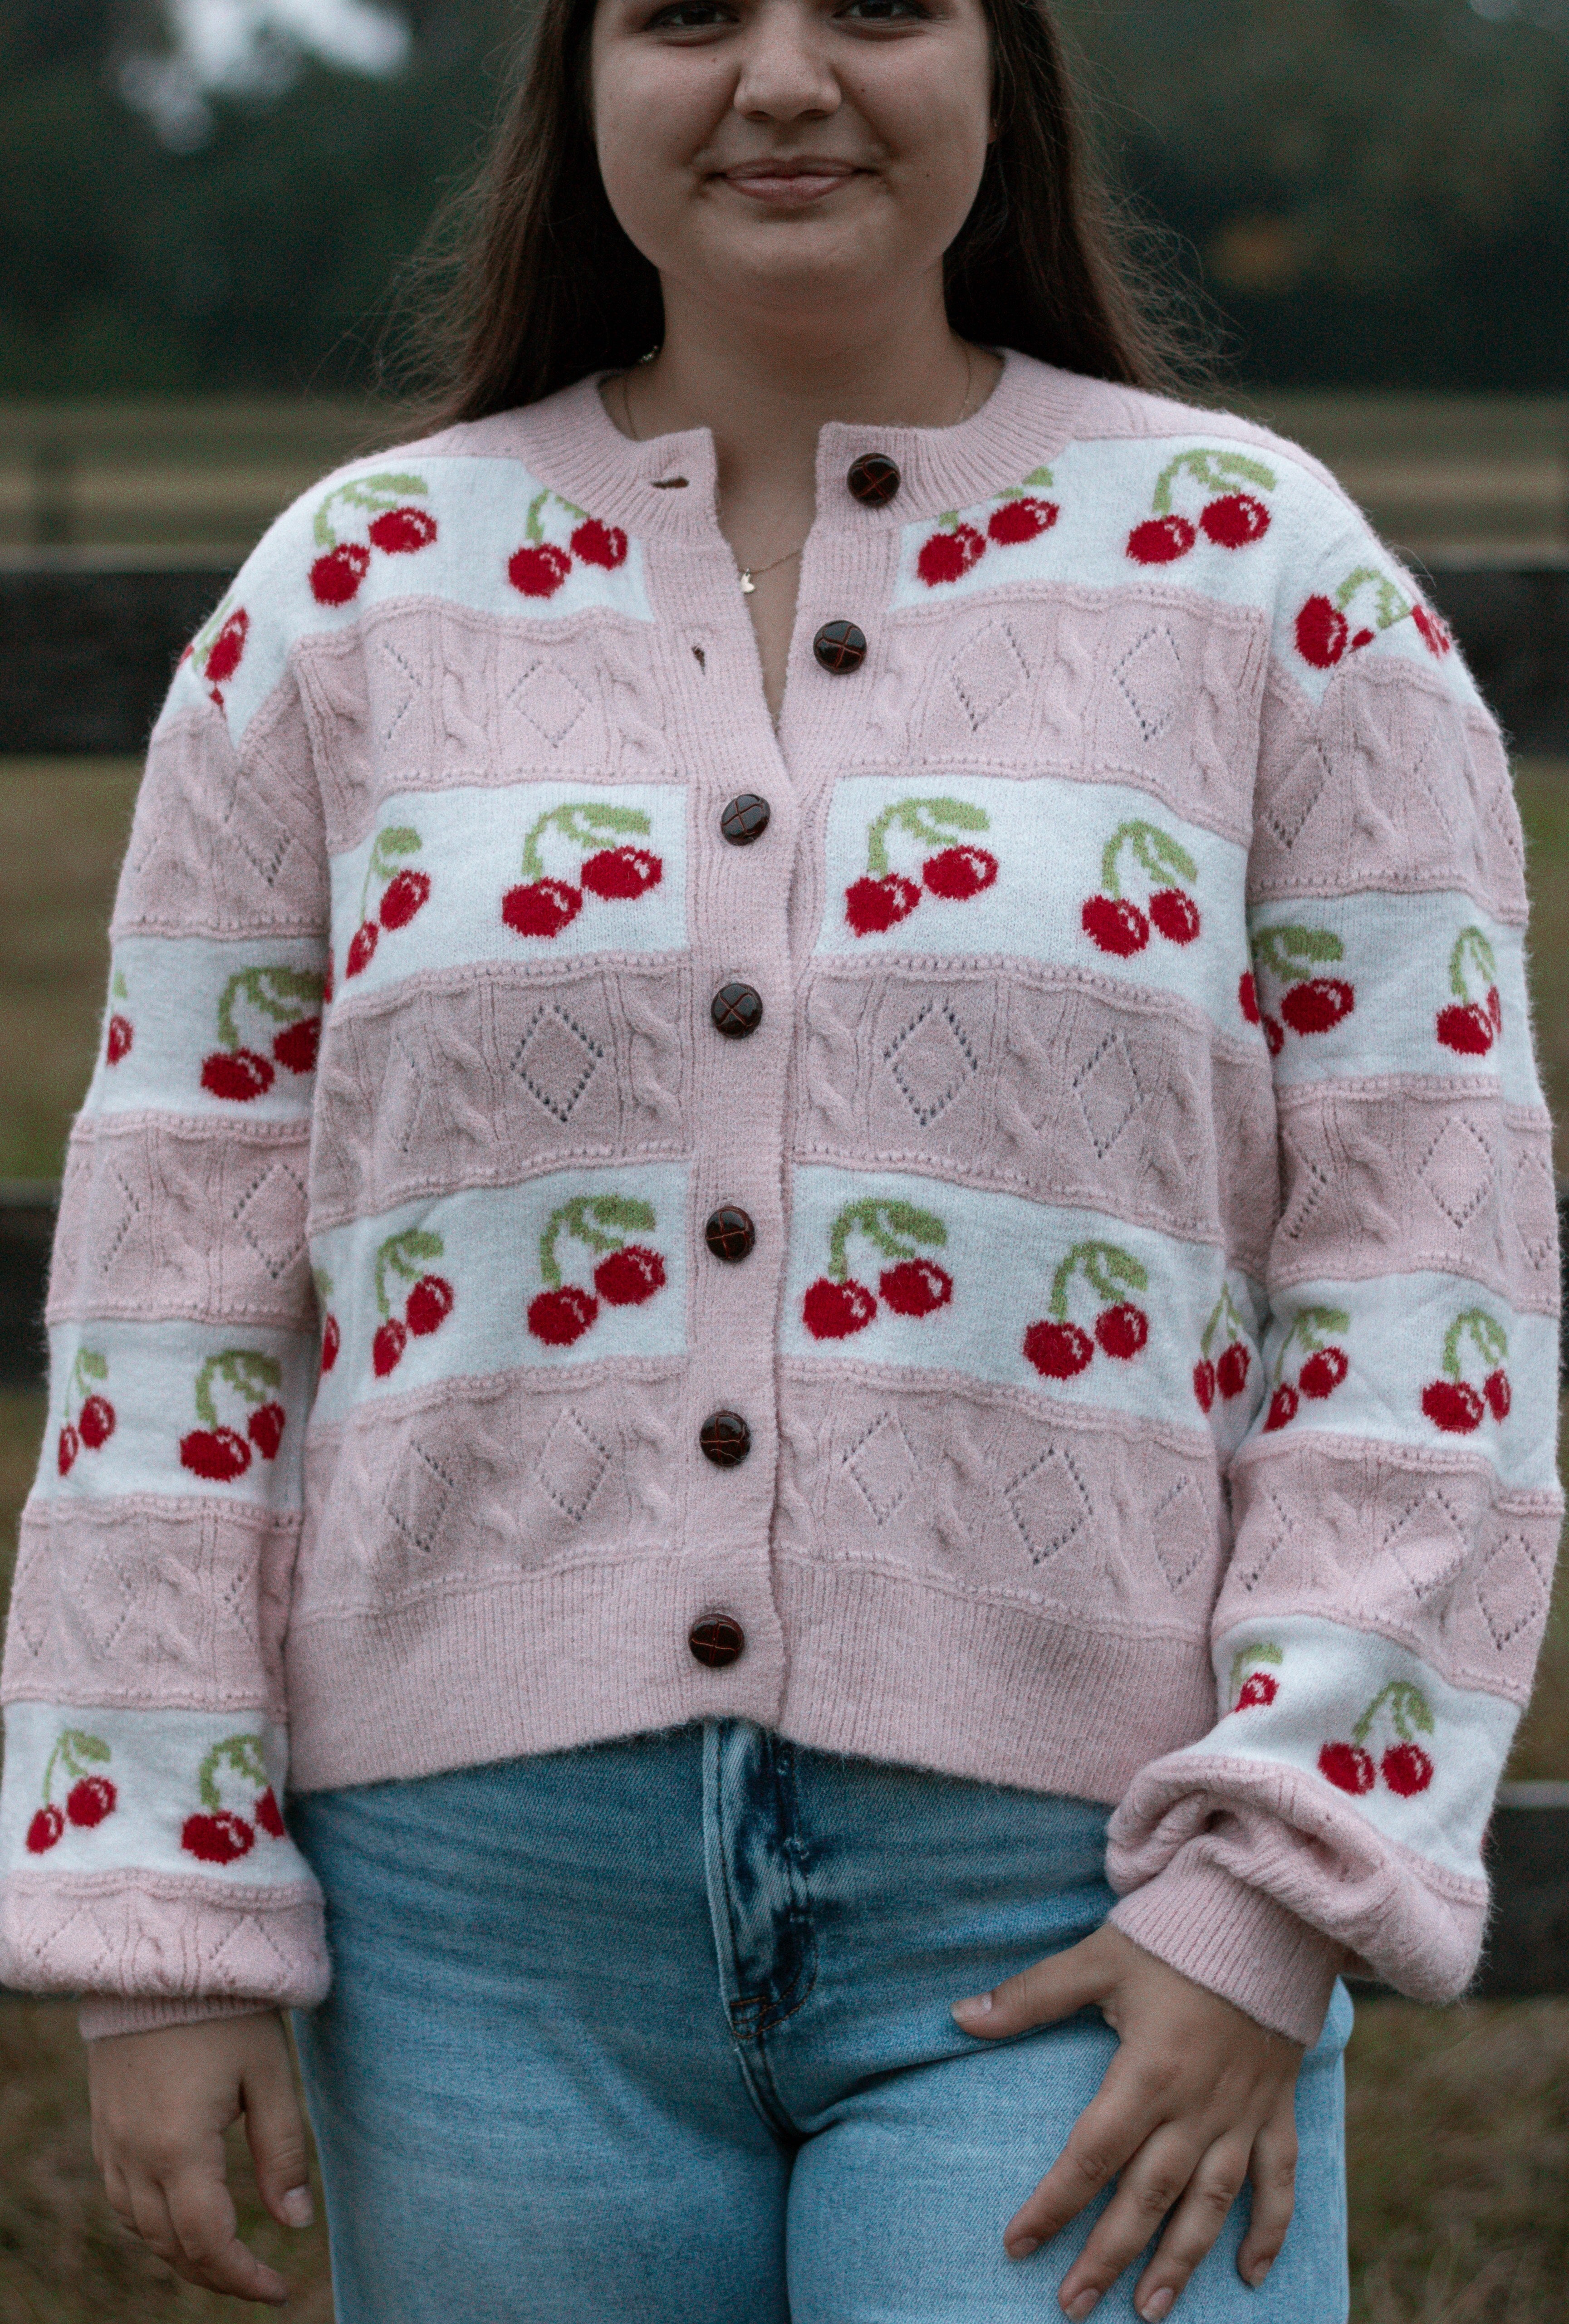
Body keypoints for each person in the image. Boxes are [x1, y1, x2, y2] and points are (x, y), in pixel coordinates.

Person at [0, 0, 1559, 2314]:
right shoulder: (348, 599)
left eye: (879, 6)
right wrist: (157, 1911)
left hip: (1076, 1892)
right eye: (691, 13)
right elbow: (171, 1288)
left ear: (1002, 68)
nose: (788, 76)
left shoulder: (1255, 572)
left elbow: (1433, 1267)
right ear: (581, 82)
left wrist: (1277, 1889)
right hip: (473, 1933)